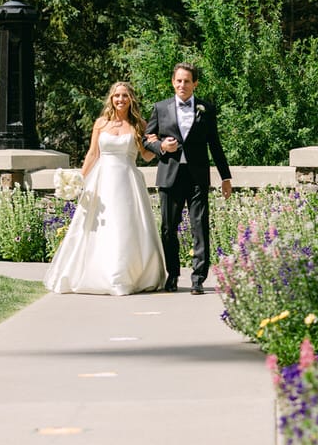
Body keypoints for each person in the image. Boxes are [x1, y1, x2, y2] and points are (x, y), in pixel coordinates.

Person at [44, 82, 168, 295]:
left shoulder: (139, 124)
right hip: (102, 181)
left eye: (125, 96)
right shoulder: (101, 123)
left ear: (131, 99)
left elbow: (146, 155)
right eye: (117, 96)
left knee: (125, 225)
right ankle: (97, 273)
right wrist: (79, 179)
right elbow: (93, 154)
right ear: (111, 99)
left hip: (128, 181)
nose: (120, 100)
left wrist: (161, 145)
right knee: (97, 227)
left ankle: (127, 275)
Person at [144, 63, 232, 294]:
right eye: (179, 81)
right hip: (170, 176)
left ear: (195, 84)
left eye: (187, 81)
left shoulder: (207, 109)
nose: (182, 85)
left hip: (197, 177)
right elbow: (146, 139)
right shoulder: (160, 108)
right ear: (173, 82)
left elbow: (215, 144)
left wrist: (226, 177)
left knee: (199, 227)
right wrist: (161, 146)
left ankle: (198, 279)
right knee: (168, 228)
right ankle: (172, 275)